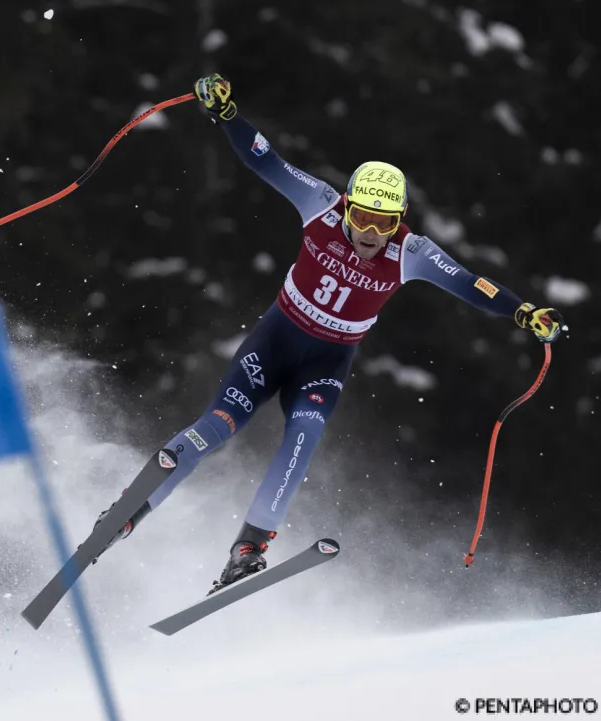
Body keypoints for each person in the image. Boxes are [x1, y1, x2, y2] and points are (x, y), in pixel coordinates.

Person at [93, 73, 565, 595]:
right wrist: (226, 115)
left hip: (325, 364)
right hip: (274, 345)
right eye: (361, 216)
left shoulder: (411, 253)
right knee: (216, 428)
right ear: (346, 204)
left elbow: (469, 284)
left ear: (400, 220)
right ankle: (130, 512)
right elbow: (264, 159)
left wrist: (524, 312)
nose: (368, 232)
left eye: (383, 223)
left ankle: (248, 546)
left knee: (305, 435)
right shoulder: (319, 204)